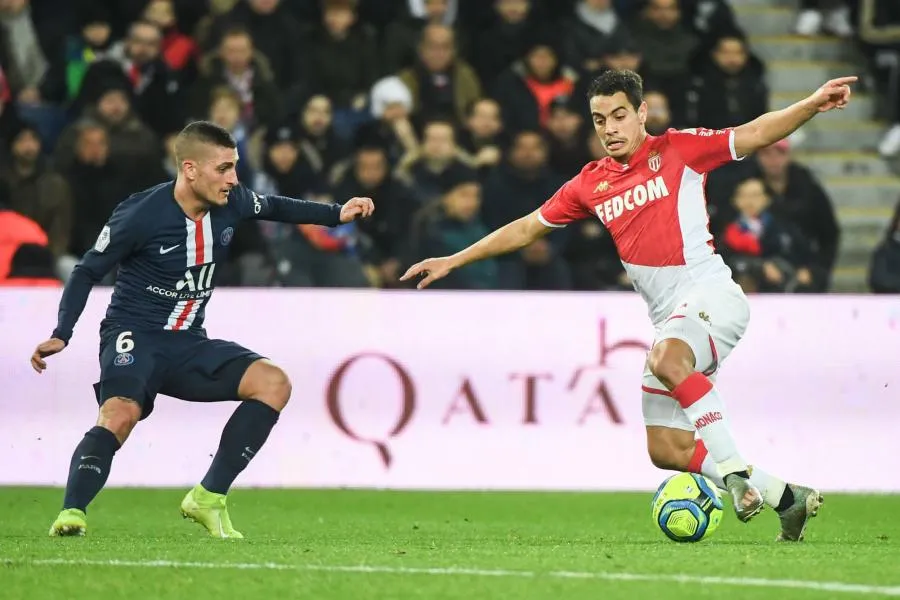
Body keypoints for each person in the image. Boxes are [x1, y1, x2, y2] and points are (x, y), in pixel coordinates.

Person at [402, 69, 857, 542]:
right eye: (599, 119)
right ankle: (789, 500)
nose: (609, 128)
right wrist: (455, 259)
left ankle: (734, 474)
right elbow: (526, 228)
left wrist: (810, 104)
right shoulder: (590, 183)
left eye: (619, 115)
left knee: (667, 360)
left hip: (711, 295)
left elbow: (756, 132)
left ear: (642, 112)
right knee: (667, 448)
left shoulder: (680, 149)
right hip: (671, 318)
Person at [32, 121, 374, 538]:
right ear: (190, 169)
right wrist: (63, 331)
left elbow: (276, 207)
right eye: (223, 168)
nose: (233, 179)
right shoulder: (140, 214)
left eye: (235, 166)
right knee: (120, 413)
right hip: (135, 333)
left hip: (189, 342)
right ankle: (72, 512)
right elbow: (87, 270)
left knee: (273, 383)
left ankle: (208, 497)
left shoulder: (232, 201)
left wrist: (336, 214)